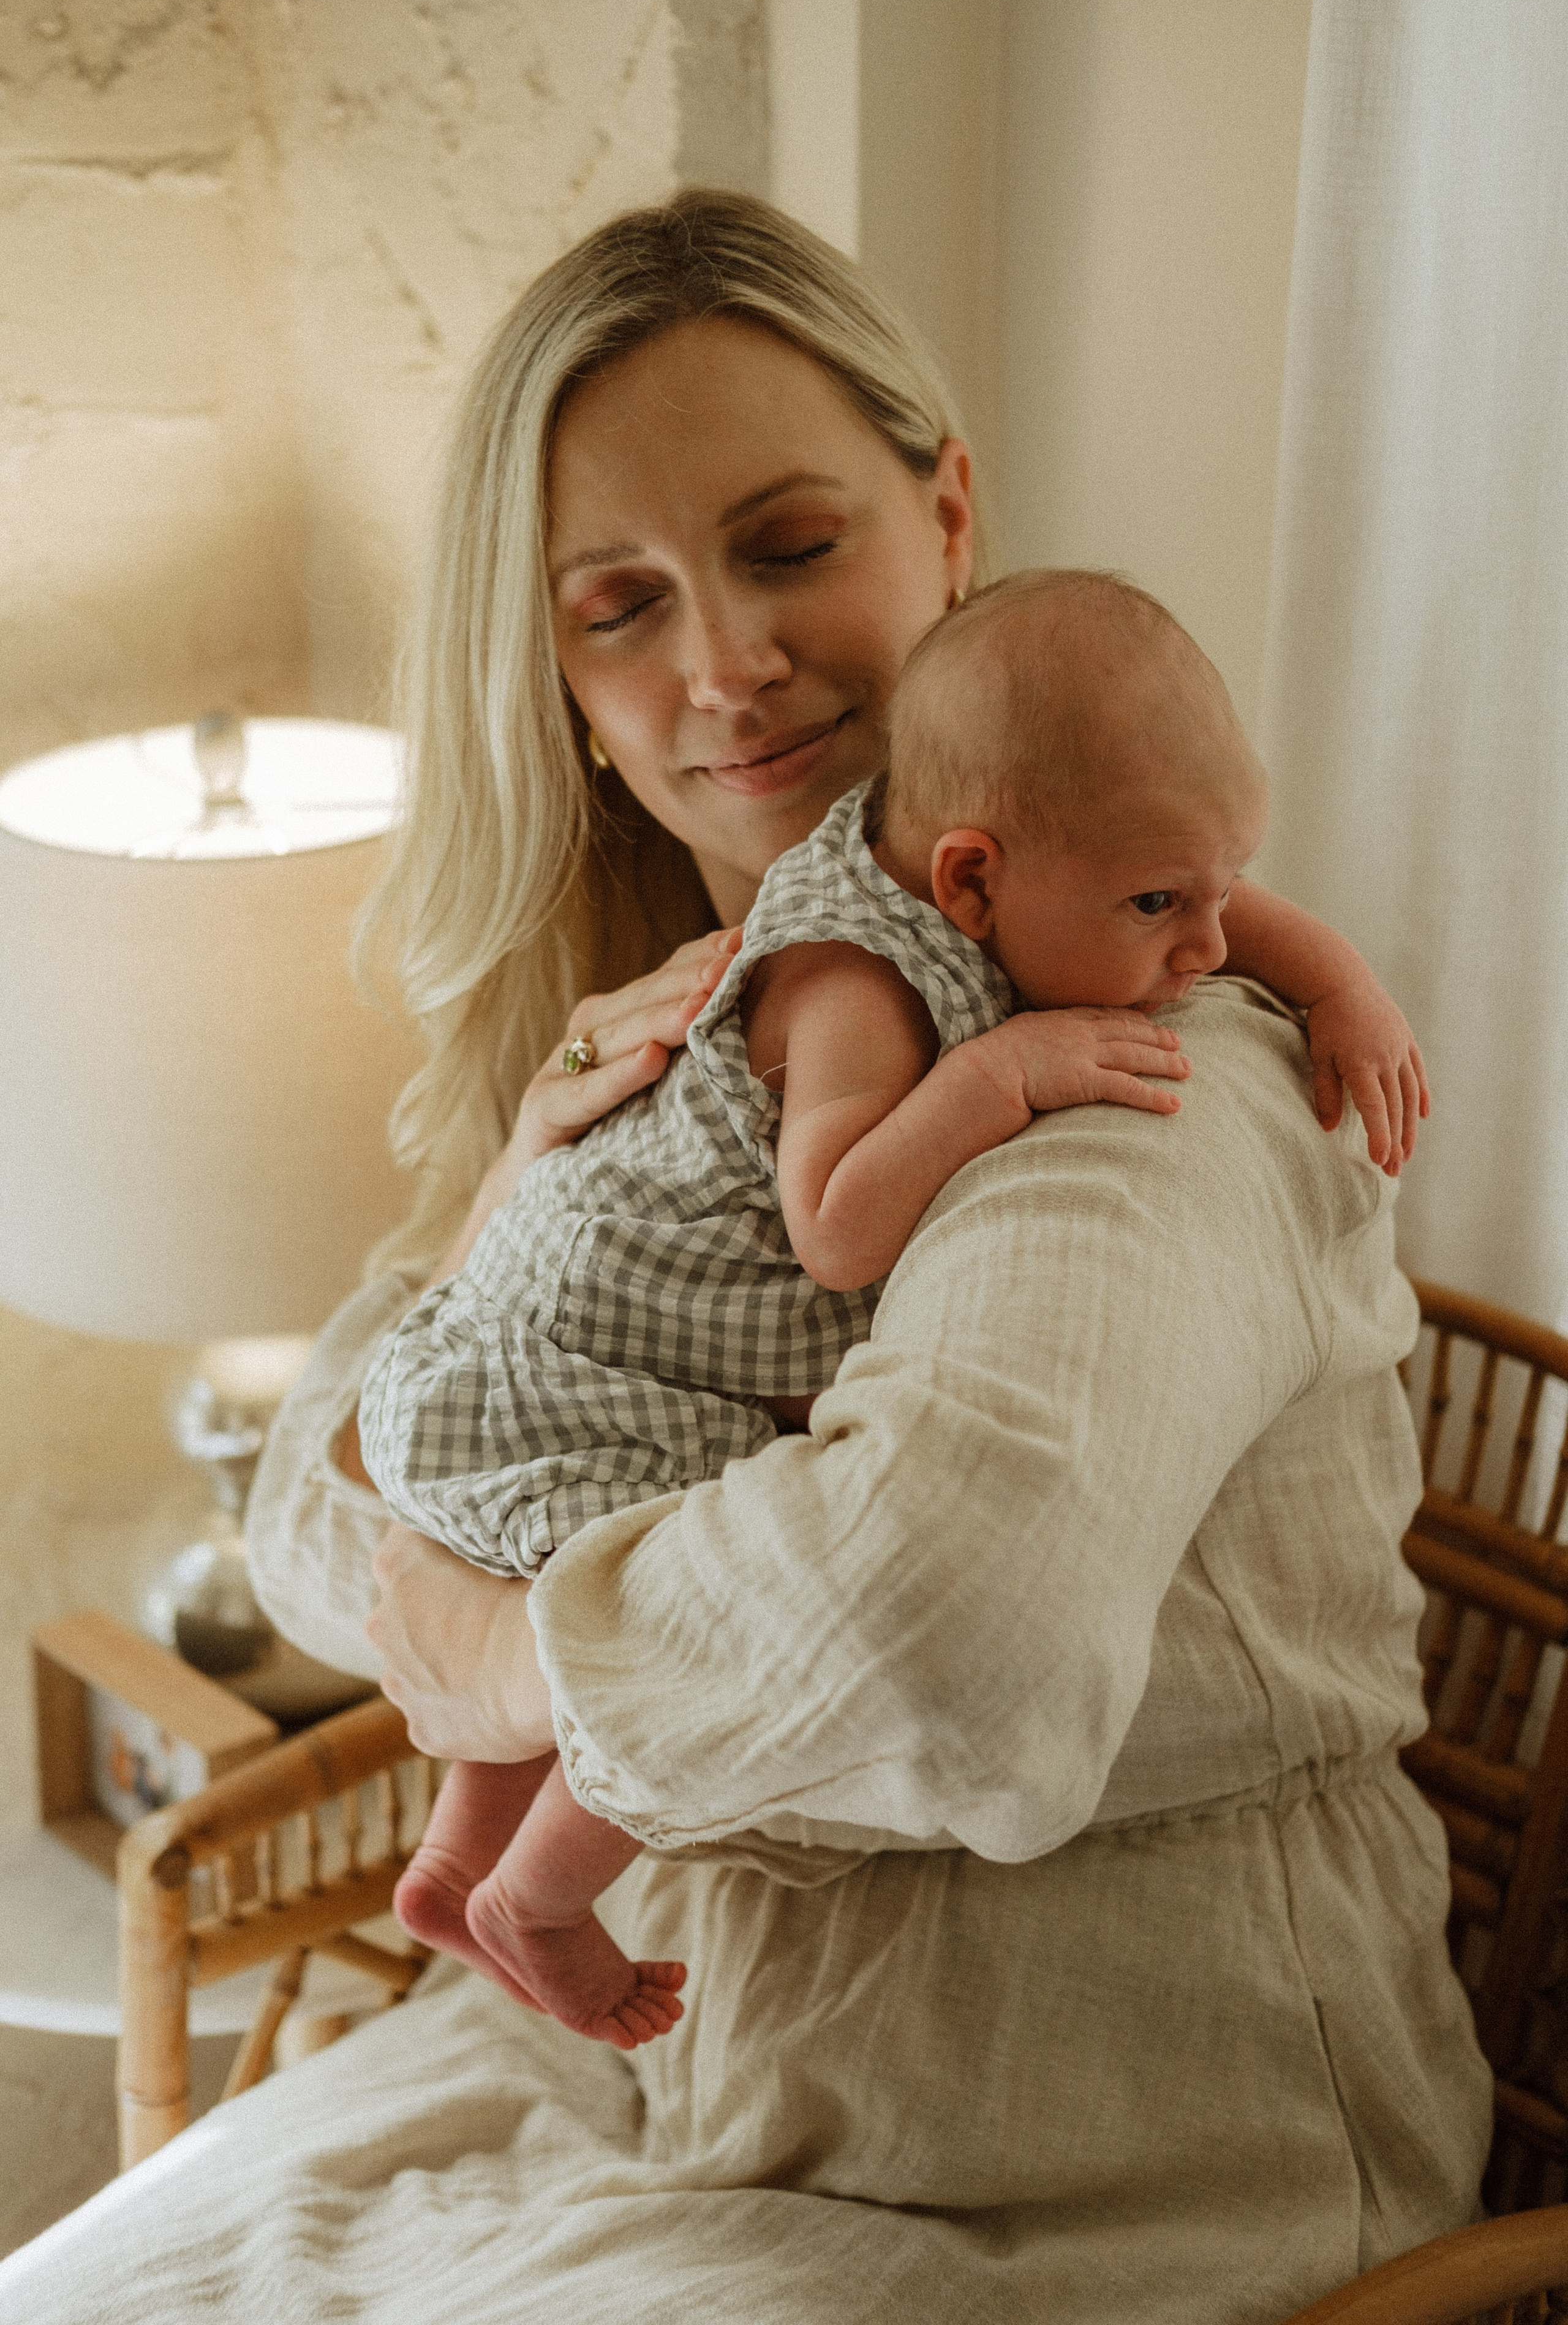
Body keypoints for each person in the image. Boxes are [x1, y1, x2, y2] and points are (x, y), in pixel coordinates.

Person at [0, 192, 1487, 2325]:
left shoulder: (1146, 1070)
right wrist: (512, 1206)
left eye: (790, 548)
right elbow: (349, 1476)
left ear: (946, 511)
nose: (722, 667)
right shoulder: (668, 1033)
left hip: (1093, 2169)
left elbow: (938, 1627)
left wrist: (508, 1649)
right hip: (651, 2082)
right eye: (620, 607)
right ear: (563, 676)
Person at [358, 565, 1428, 2054]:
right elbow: (838, 1227)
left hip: (533, 1349)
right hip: (579, 1366)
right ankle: (536, 1898)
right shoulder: (856, 984)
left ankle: (453, 1860)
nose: (1201, 951)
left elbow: (1211, 902)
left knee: (555, 1614)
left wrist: (1345, 991)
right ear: (974, 882)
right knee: (653, 1601)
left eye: (1218, 891)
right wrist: (989, 1082)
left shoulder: (1050, 846)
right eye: (1158, 908)